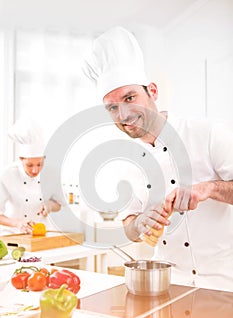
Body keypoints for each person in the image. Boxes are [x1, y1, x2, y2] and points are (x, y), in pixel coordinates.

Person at [82, 26, 233, 291]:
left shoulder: (208, 133)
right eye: (112, 107)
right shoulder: (127, 163)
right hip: (166, 285)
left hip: (224, 283)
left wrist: (208, 188)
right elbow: (129, 224)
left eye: (130, 97)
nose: (124, 114)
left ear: (152, 91)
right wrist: (139, 224)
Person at [0, 118, 63, 234]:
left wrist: (49, 206)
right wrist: (17, 223)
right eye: (29, 165)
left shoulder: (51, 173)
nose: (35, 170)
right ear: (21, 159)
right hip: (12, 233)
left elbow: (58, 204)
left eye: (40, 164)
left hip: (41, 232)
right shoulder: (7, 174)